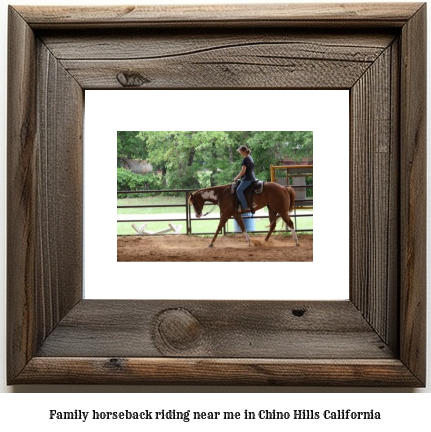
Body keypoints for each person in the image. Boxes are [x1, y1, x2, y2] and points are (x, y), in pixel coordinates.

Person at [233, 145, 256, 212]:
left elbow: (243, 171)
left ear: (244, 151)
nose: (240, 153)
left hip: (248, 178)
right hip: (252, 177)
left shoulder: (245, 159)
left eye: (240, 152)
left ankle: (245, 207)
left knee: (238, 190)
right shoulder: (250, 157)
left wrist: (236, 178)